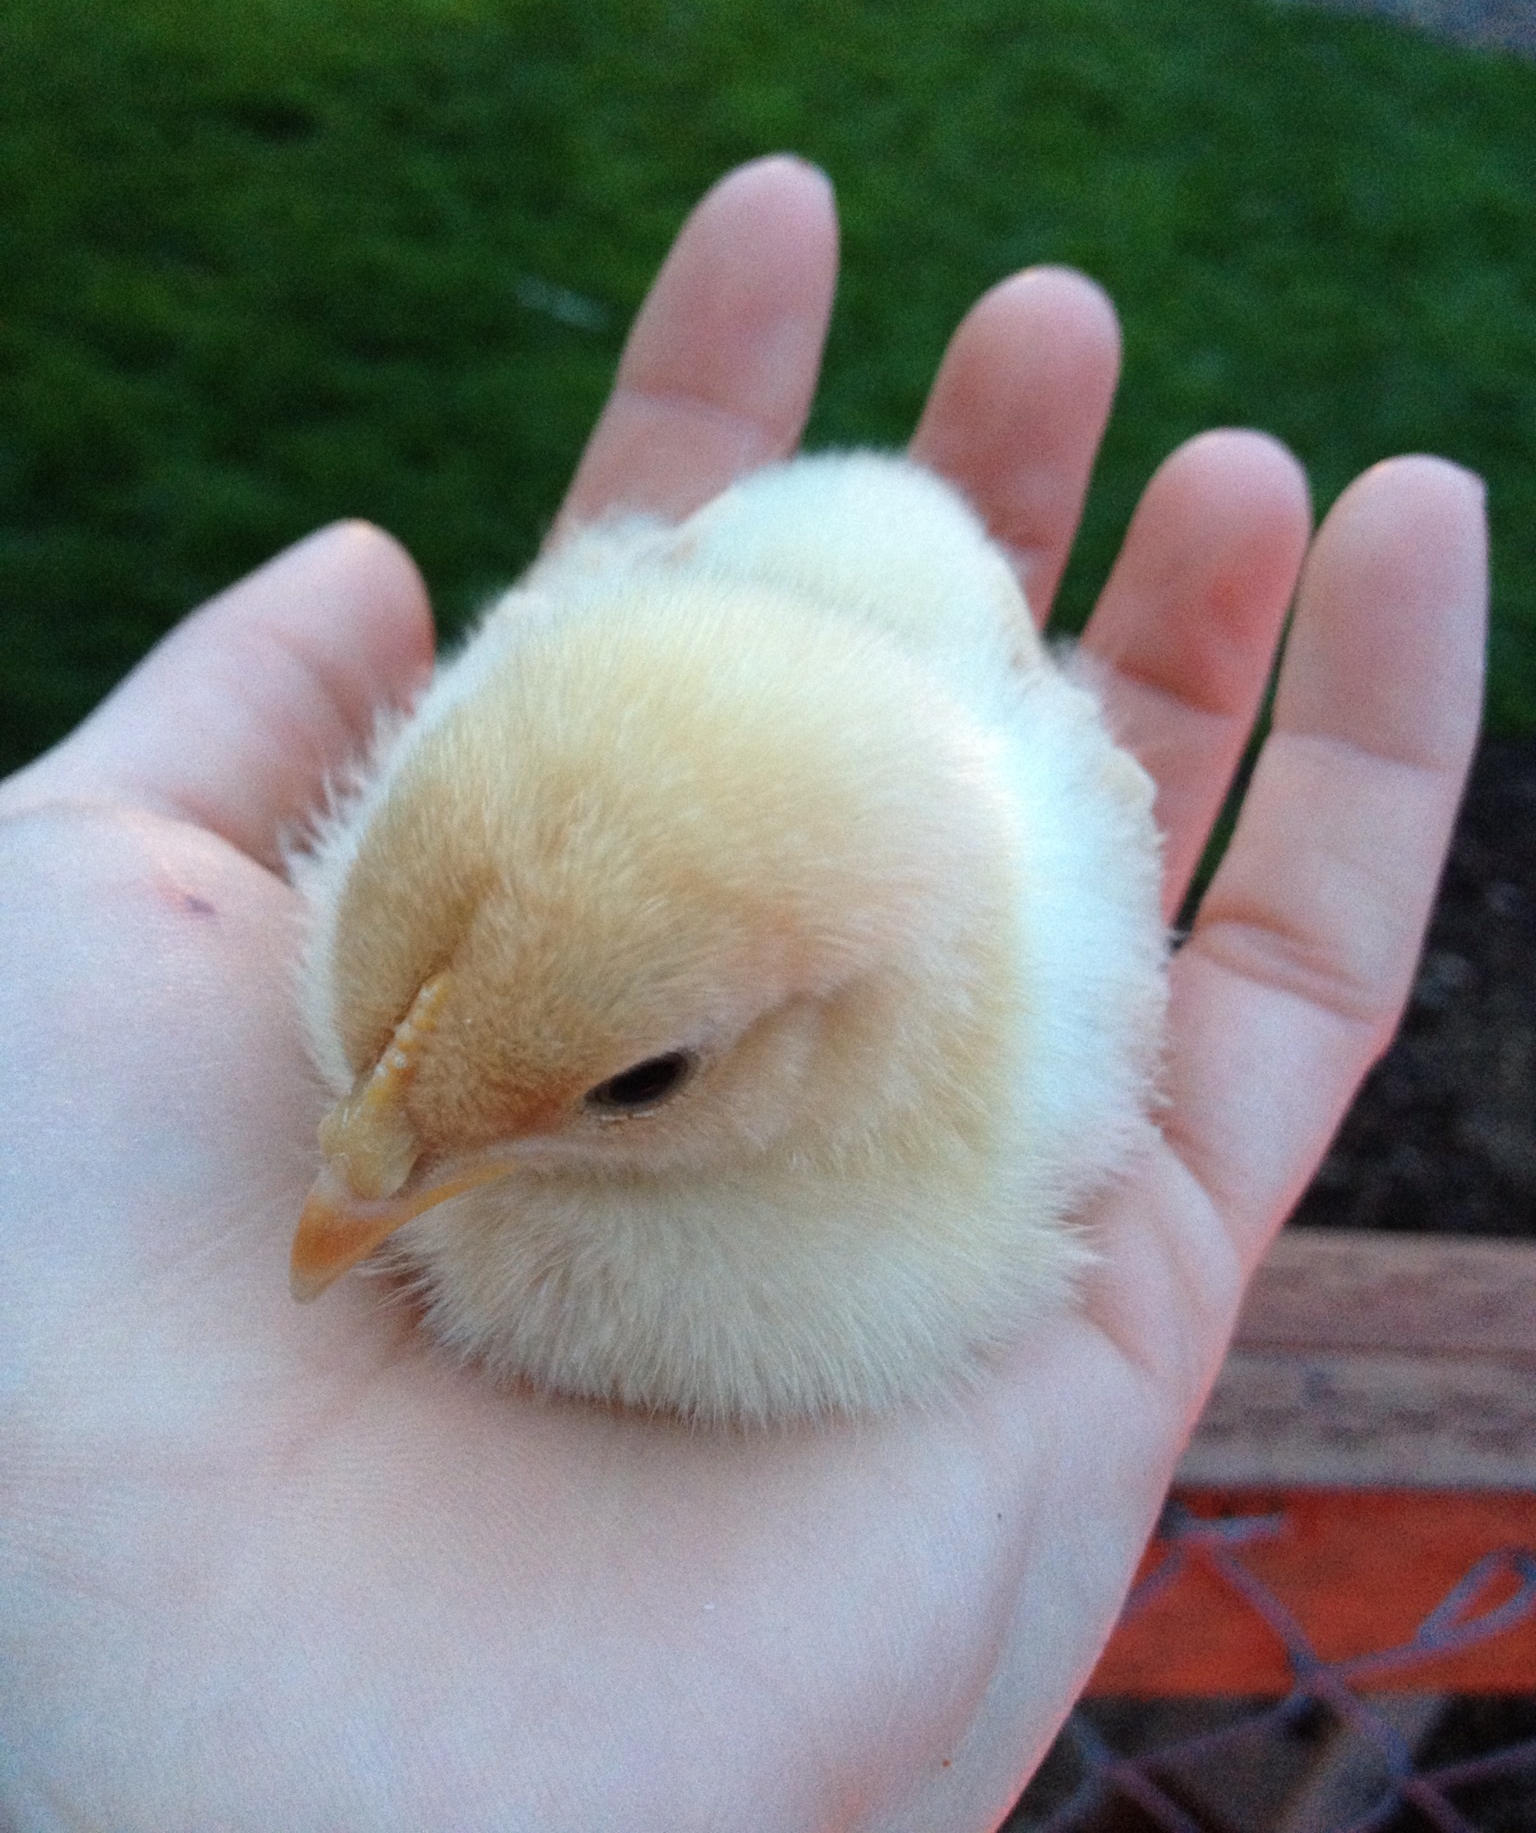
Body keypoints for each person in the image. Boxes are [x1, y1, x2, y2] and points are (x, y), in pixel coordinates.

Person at [0, 156, 1485, 1832]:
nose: (356, 1180)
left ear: (843, 1031)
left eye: (636, 1080)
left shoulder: (1012, 1045)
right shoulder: (467, 981)